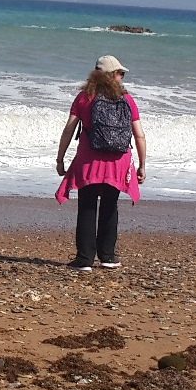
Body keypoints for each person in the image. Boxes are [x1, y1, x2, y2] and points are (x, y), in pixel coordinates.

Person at [54, 54, 147, 271]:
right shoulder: (127, 100)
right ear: (112, 75)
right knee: (109, 206)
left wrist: (60, 159)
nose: (122, 77)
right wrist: (142, 165)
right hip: (118, 161)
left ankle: (85, 259)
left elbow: (69, 129)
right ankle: (108, 257)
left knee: (87, 206)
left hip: (90, 160)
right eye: (120, 74)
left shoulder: (85, 98)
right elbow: (139, 136)